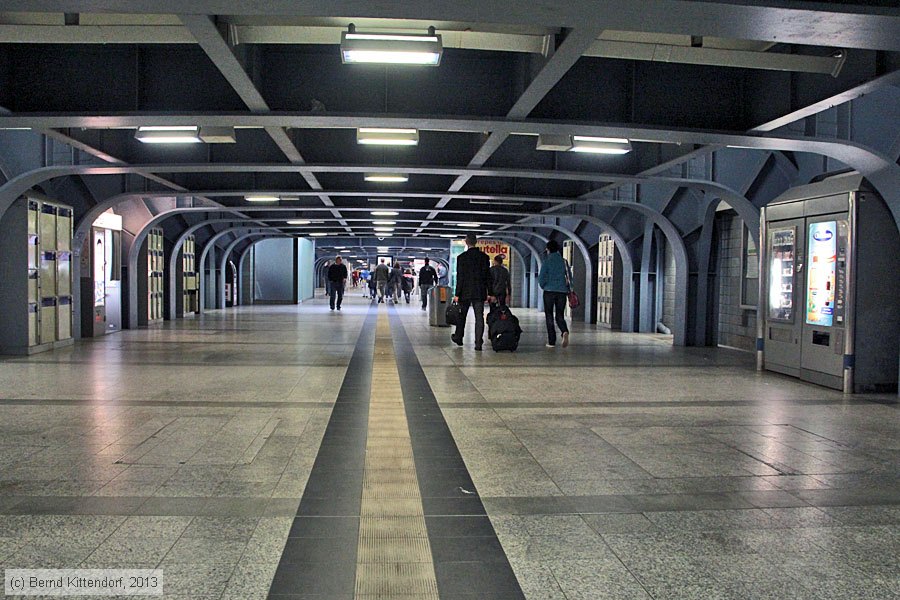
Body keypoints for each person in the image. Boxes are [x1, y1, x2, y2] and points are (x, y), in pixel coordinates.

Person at [452, 233, 492, 351]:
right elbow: (487, 277)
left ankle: (459, 337)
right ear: (476, 242)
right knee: (479, 317)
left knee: (461, 316)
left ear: (466, 242)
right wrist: (490, 292)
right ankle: (478, 343)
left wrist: (457, 294)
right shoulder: (484, 257)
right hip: (479, 292)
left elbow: (461, 277)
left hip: (465, 292)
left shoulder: (461, 258)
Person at [538, 240, 571, 348]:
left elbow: (541, 278)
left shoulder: (546, 261)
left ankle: (551, 341)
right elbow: (569, 277)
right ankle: (564, 331)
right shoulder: (564, 261)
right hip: (562, 291)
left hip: (549, 291)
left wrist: (544, 286)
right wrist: (569, 289)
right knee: (560, 315)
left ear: (548, 249)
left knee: (549, 315)